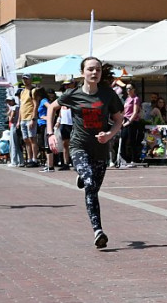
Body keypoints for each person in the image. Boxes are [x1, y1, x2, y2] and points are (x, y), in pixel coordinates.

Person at [44, 56, 124, 249]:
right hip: (79, 146)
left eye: (97, 69)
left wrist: (109, 134)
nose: (94, 73)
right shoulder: (73, 94)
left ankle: (83, 175)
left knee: (93, 190)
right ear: (83, 73)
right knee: (89, 183)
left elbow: (119, 120)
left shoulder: (108, 94)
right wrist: (50, 134)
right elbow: (52, 109)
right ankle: (98, 231)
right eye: (90, 69)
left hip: (100, 150)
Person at [18, 76, 39, 167]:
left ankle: (35, 159)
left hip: (30, 118)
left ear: (30, 80)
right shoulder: (22, 91)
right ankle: (29, 159)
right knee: (26, 140)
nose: (24, 80)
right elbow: (21, 107)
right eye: (23, 79)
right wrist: (19, 121)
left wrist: (33, 119)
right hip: (23, 119)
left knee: (32, 139)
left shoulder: (33, 91)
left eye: (26, 78)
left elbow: (35, 105)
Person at [120, 84, 141, 167]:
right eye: (127, 89)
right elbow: (125, 111)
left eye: (130, 88)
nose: (128, 90)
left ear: (134, 89)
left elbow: (135, 112)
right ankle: (124, 158)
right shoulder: (127, 99)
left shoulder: (136, 99)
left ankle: (133, 160)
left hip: (132, 121)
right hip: (125, 120)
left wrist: (129, 121)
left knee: (132, 141)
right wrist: (122, 121)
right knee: (123, 139)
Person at [5, 96, 22, 167]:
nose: (9, 102)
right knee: (17, 144)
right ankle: (20, 161)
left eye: (10, 101)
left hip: (14, 125)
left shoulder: (14, 107)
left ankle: (14, 161)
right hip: (16, 125)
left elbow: (11, 116)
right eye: (8, 101)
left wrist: (10, 117)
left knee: (13, 144)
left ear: (13, 101)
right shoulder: (16, 106)